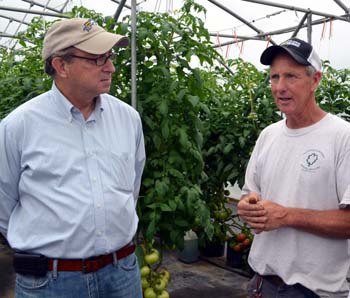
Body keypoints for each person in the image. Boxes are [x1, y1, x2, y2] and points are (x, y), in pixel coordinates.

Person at [0, 18, 146, 298]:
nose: (111, 66)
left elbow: (131, 187)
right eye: (97, 58)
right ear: (61, 66)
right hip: (51, 283)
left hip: (122, 274)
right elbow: (3, 204)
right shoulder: (19, 126)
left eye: (110, 57)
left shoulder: (128, 119)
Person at [237, 37, 350, 298]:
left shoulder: (341, 136)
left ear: (315, 80)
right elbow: (249, 194)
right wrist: (248, 206)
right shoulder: (269, 135)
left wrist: (287, 216)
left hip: (314, 291)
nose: (280, 87)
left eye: (291, 76)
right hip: (262, 284)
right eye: (274, 77)